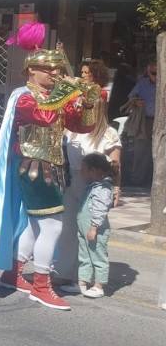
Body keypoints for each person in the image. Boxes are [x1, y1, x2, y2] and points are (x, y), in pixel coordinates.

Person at [0, 23, 98, 311]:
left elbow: (82, 126)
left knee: (37, 226)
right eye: (50, 69)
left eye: (58, 70)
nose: (56, 74)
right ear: (32, 70)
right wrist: (69, 94)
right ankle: (42, 285)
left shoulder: (52, 97)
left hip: (54, 166)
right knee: (52, 226)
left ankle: (14, 272)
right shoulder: (24, 96)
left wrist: (86, 103)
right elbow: (44, 118)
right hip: (34, 167)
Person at [55, 77, 122, 289]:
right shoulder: (72, 128)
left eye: (87, 102)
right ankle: (66, 273)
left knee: (89, 234)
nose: (81, 105)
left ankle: (88, 278)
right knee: (67, 229)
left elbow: (115, 165)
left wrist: (116, 188)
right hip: (71, 182)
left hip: (93, 188)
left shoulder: (108, 134)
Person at [72, 153, 116, 298]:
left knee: (98, 255)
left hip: (95, 229)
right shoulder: (92, 186)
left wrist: (93, 228)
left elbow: (100, 209)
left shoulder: (102, 188)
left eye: (84, 169)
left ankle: (99, 285)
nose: (81, 172)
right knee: (84, 255)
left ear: (95, 170)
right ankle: (83, 281)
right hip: (84, 228)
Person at [122, 63, 156, 187]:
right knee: (141, 151)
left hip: (161, 120)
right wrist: (136, 102)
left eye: (158, 73)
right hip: (145, 121)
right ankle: (138, 180)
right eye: (153, 73)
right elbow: (131, 96)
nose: (156, 77)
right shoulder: (142, 83)